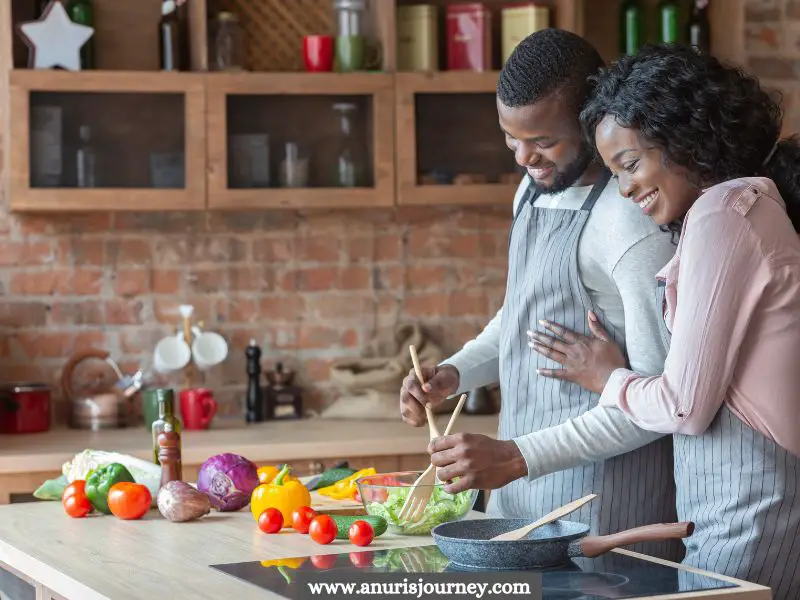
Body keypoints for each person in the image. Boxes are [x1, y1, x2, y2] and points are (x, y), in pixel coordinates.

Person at [399, 29, 683, 562]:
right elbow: (523, 317)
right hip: (520, 496)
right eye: (512, 140)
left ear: (591, 118)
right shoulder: (533, 189)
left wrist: (515, 455)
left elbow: (658, 401)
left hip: (602, 507)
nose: (524, 158)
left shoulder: (628, 223)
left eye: (543, 142)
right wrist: (456, 374)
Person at [529, 44, 800, 597]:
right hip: (737, 508)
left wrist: (607, 379)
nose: (625, 189)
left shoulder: (725, 214)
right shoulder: (744, 206)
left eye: (630, 164)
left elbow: (684, 404)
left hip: (751, 513)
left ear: (684, 137)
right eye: (614, 173)